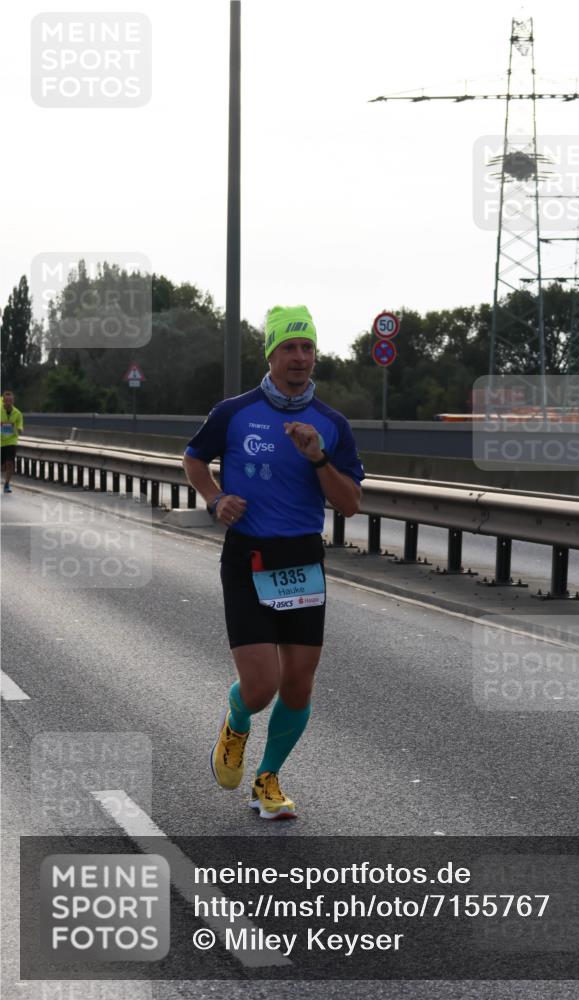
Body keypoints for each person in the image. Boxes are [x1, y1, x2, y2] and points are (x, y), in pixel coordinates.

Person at [183, 305, 364, 819]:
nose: (300, 358)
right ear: (270, 354)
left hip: (303, 557)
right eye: (289, 347)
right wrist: (216, 499)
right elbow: (194, 458)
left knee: (299, 683)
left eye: (307, 347)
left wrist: (318, 459)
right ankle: (236, 721)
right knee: (261, 686)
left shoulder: (331, 424)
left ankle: (268, 779)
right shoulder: (234, 412)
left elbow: (350, 504)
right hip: (249, 556)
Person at [1, 390, 24, 494]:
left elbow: (20, 426)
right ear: (3, 401)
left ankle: (6, 484)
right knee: (2, 466)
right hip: (0, 441)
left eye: (10, 401)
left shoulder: (18, 413)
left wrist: (19, 429)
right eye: (6, 401)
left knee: (10, 463)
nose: (8, 403)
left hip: (11, 440)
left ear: (13, 401)